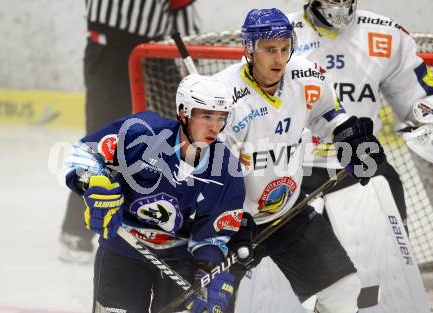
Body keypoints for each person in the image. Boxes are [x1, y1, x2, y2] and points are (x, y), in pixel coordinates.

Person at [213, 8, 386, 313]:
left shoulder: (304, 74)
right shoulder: (224, 96)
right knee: (210, 306)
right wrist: (228, 220)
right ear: (249, 50)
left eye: (284, 48)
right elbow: (212, 171)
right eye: (270, 50)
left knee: (344, 293)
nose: (279, 59)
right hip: (230, 225)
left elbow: (328, 114)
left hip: (289, 213)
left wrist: (351, 138)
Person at [64, 74, 248, 313]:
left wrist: (208, 271)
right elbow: (84, 154)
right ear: (183, 113)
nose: (215, 126)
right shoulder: (141, 133)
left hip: (180, 260)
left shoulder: (226, 170)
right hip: (123, 247)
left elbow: (213, 236)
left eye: (221, 118)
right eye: (206, 116)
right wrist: (92, 183)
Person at [59, 0, 200, 263]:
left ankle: (154, 224)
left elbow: (184, 19)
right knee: (103, 144)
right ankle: (79, 228)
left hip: (156, 54)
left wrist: (191, 70)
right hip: (109, 51)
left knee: (165, 144)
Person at [287, 0, 433, 233]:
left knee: (390, 265)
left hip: (363, 165)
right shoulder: (281, 35)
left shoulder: (385, 33)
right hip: (295, 173)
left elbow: (418, 102)